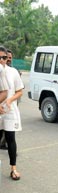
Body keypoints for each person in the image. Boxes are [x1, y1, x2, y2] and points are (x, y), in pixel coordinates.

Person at [0, 46, 24, 181]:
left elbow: (19, 91)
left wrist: (9, 99)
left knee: (10, 139)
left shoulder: (13, 72)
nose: (2, 60)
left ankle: (13, 168)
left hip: (9, 110)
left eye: (4, 57)